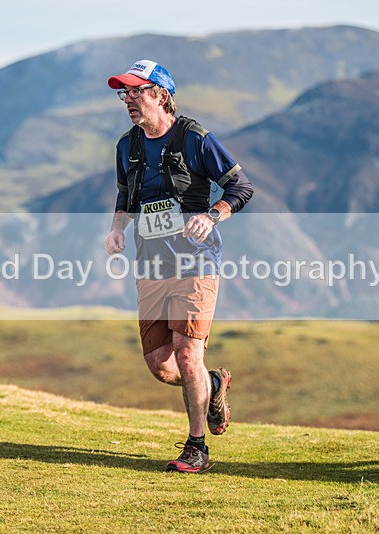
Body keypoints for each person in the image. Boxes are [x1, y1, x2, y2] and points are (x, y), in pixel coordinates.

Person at [104, 60, 254, 473]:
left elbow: (241, 187)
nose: (129, 100)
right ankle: (215, 384)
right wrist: (117, 229)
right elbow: (125, 197)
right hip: (150, 265)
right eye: (125, 93)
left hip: (196, 262)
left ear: (161, 95)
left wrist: (212, 214)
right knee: (161, 366)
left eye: (137, 91)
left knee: (188, 355)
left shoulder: (196, 139)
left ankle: (197, 448)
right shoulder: (126, 146)